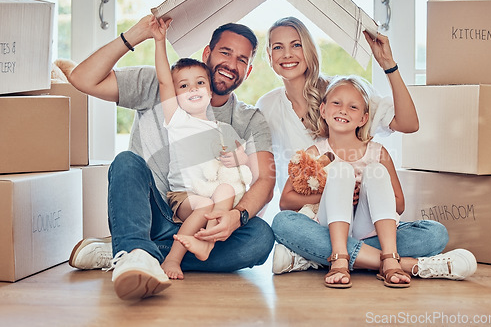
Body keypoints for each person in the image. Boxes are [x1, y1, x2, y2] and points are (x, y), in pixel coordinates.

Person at [68, 15, 276, 300]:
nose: (231, 64)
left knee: (261, 238)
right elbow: (82, 78)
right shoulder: (163, 83)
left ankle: (131, 250)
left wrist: (236, 217)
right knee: (127, 162)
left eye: (242, 59)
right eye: (225, 52)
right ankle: (136, 248)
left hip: (208, 225)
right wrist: (136, 35)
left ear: (248, 71)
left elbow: (265, 179)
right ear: (207, 53)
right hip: (154, 211)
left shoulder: (248, 119)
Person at [256, 16, 477, 280]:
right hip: (317, 221)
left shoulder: (345, 92)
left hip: (367, 221)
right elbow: (276, 190)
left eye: (296, 45)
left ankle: (316, 258)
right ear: (269, 55)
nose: (287, 54)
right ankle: (400, 264)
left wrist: (388, 65)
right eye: (277, 47)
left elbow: (409, 124)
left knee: (434, 234)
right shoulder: (267, 106)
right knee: (282, 224)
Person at [149, 16, 257, 280]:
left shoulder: (220, 128)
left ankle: (205, 245)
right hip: (183, 195)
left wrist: (239, 157)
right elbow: (164, 81)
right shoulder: (177, 120)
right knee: (204, 206)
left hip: (209, 193)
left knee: (226, 190)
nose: (193, 89)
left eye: (199, 83)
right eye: (183, 87)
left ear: (210, 91)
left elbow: (244, 158)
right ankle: (173, 259)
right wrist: (159, 41)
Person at [284, 75, 411, 288]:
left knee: (434, 234)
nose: (343, 110)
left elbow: (399, 204)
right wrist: (331, 192)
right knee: (283, 222)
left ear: (363, 118)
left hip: (366, 228)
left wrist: (363, 196)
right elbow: (285, 202)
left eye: (353, 107)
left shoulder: (378, 153)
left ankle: (388, 257)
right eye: (336, 103)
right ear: (323, 110)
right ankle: (342, 257)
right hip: (329, 226)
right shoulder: (315, 153)